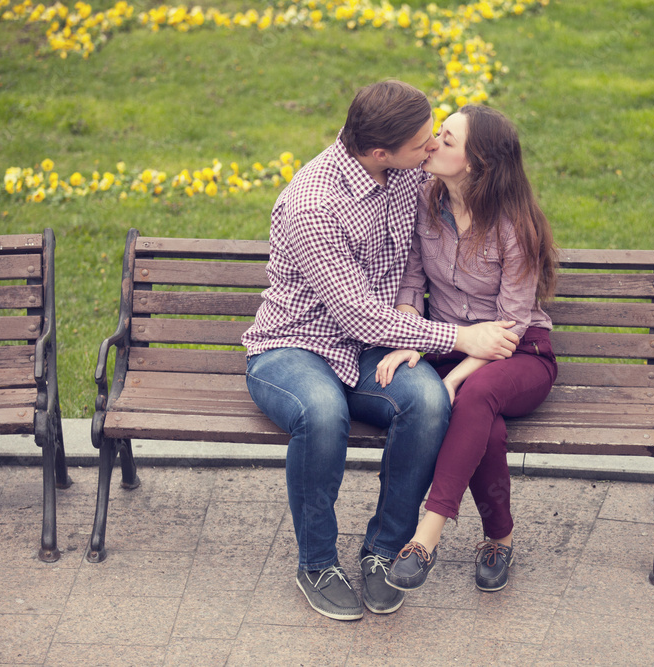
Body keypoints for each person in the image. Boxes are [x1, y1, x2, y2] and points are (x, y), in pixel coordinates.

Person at [241, 80, 521, 622]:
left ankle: (384, 548)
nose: (430, 151)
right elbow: (355, 313)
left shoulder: (404, 171)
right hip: (293, 347)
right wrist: (461, 338)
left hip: (373, 346)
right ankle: (317, 563)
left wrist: (412, 326)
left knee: (430, 401)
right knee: (323, 413)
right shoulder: (312, 205)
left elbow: (458, 211)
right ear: (378, 152)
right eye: (422, 144)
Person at [375, 104, 558, 594]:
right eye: (438, 134)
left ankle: (424, 540)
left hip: (519, 353)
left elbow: (512, 324)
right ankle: (500, 536)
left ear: (477, 164)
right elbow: (411, 282)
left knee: (473, 398)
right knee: (486, 428)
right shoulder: (424, 200)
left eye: (447, 139)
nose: (432, 143)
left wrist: (452, 379)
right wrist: (412, 340)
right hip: (451, 344)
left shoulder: (514, 223)